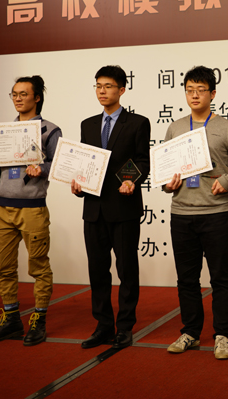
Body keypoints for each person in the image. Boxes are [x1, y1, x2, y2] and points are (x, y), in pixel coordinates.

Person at [163, 66, 228, 360]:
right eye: (189, 90)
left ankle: (222, 335)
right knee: (186, 279)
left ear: (213, 94)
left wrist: (227, 181)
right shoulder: (175, 128)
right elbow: (165, 170)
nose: (194, 95)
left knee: (221, 278)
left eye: (200, 90)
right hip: (181, 213)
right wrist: (167, 184)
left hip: (216, 213)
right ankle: (190, 332)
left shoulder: (227, 128)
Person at [0, 76, 62, 346]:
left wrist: (42, 168)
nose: (18, 98)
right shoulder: (2, 131)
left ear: (37, 97)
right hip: (1, 206)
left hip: (32, 208)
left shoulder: (50, 130)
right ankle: (11, 318)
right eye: (14, 94)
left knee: (38, 267)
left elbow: (59, 164)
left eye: (24, 94)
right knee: (3, 267)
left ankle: (38, 320)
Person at [72, 66, 150, 350]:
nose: (102, 91)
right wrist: (78, 183)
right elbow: (85, 162)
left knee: (126, 269)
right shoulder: (88, 124)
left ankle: (125, 326)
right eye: (98, 86)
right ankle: (103, 325)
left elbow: (142, 160)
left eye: (108, 86)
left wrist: (131, 181)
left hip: (124, 206)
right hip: (93, 208)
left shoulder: (138, 123)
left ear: (122, 90)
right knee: (97, 270)